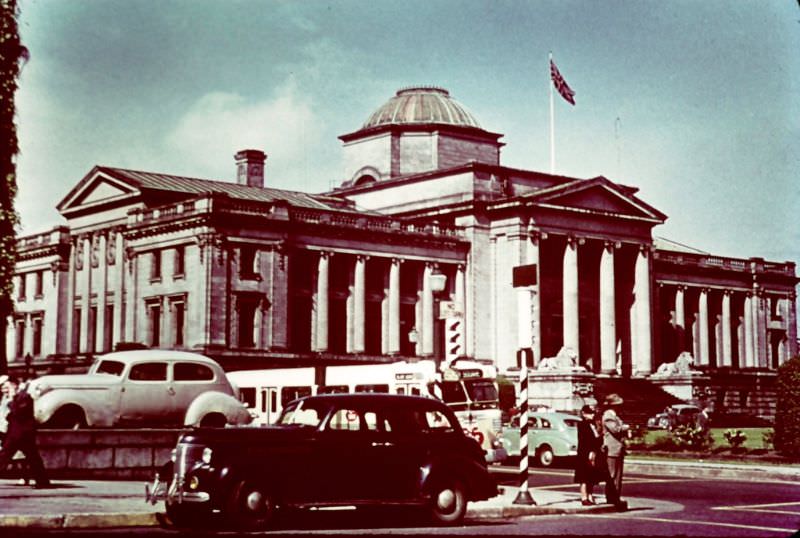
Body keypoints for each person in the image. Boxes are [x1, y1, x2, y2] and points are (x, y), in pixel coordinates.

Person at [0, 376, 50, 488]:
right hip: (17, 433)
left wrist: (11, 400)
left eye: (6, 386)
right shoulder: (11, 398)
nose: (4, 389)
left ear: (14, 385)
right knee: (32, 457)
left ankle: (43, 481)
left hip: (22, 433)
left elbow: (18, 412)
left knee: (5, 456)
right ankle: (43, 481)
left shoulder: (25, 397)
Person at [601, 393, 628, 509]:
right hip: (611, 448)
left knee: (618, 475)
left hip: (618, 448)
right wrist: (625, 428)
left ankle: (615, 496)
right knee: (612, 474)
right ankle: (611, 496)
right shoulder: (608, 416)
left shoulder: (615, 416)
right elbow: (615, 430)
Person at [574, 404, 603, 505]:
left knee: (591, 476)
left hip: (594, 451)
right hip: (584, 453)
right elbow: (585, 440)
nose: (592, 415)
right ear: (584, 414)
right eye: (590, 413)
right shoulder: (582, 425)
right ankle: (584, 497)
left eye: (593, 413)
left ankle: (590, 495)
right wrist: (590, 451)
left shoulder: (594, 425)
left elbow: (597, 439)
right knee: (584, 476)